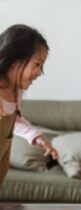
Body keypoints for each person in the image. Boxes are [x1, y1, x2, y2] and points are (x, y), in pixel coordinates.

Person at [0, 24, 58, 188]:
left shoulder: (15, 91)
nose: (40, 73)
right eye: (37, 64)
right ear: (14, 60)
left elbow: (14, 120)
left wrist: (35, 135)